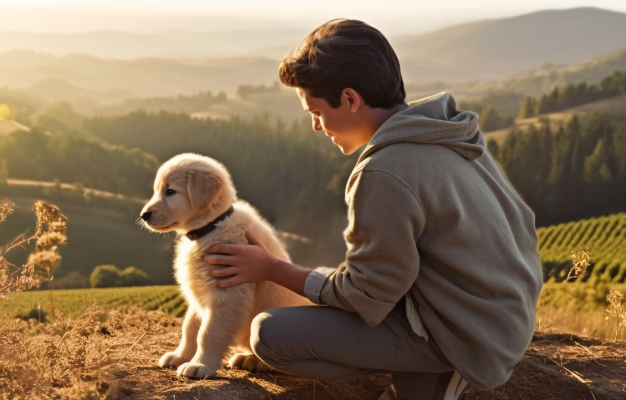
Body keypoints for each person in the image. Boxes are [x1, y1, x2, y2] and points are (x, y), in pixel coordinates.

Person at [203, 18, 543, 400]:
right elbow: (522, 226)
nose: (316, 126)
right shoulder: (446, 134)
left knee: (269, 334)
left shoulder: (384, 171)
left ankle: (435, 366)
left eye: (316, 111)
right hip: (499, 320)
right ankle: (423, 374)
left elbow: (365, 295)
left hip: (461, 333)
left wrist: (272, 268)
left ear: (350, 99)